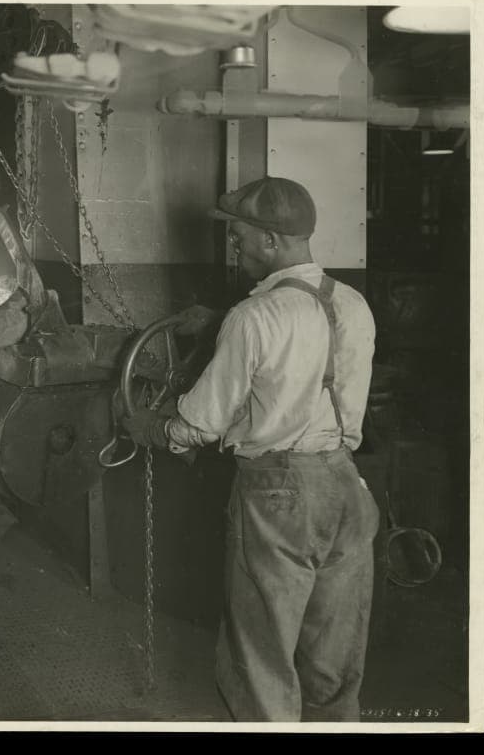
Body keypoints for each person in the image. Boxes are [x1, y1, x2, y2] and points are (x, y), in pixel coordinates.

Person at [123, 176, 380, 722]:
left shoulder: (253, 316)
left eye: (240, 239)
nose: (235, 249)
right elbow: (310, 350)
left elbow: (201, 420)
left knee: (262, 654)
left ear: (270, 241)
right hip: (346, 487)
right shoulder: (354, 305)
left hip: (277, 497)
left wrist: (152, 429)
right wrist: (216, 324)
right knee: (335, 659)